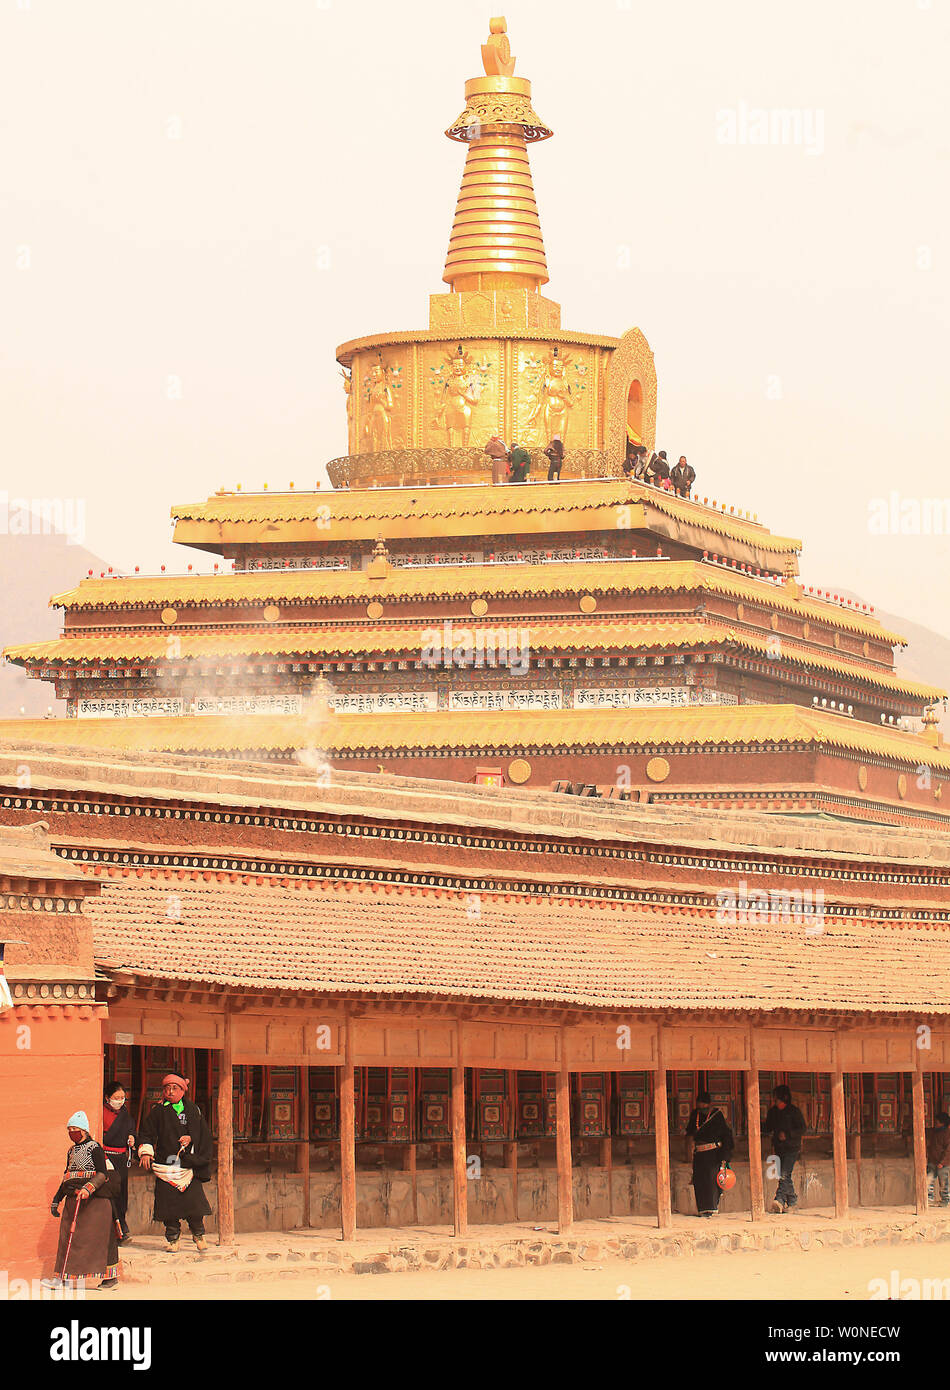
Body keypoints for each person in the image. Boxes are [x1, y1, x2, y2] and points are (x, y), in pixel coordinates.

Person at [44, 1109, 120, 1290]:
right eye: (69, 1129)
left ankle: (110, 1279)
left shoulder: (95, 1148)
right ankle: (64, 1278)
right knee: (67, 1238)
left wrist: (88, 1188)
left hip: (95, 1202)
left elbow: (102, 1173)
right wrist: (57, 1199)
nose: (72, 1132)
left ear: (84, 1130)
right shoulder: (71, 1151)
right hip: (73, 1199)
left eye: (75, 1128)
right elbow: (67, 1177)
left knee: (100, 1239)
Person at [137, 1073, 213, 1252]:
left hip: (188, 1164)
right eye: (167, 1088)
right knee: (168, 1206)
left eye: (175, 1088)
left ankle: (198, 1234)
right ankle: (173, 1239)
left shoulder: (193, 1109)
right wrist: (146, 1152)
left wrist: (191, 1138)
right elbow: (146, 1133)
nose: (170, 1092)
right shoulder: (158, 1111)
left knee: (194, 1204)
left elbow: (204, 1134)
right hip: (166, 1164)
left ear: (182, 1091)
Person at [685, 1090, 735, 1217]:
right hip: (699, 1154)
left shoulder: (716, 1115)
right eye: (699, 1103)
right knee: (699, 1181)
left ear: (709, 1104)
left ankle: (712, 1209)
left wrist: (725, 1156)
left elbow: (726, 1136)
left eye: (703, 1103)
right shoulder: (694, 1115)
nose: (701, 1106)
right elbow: (690, 1133)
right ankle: (702, 1209)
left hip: (713, 1154)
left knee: (712, 1181)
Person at [764, 1083, 807, 1213]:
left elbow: (802, 1129)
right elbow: (768, 1127)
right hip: (778, 1148)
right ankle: (792, 1201)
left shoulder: (794, 1112)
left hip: (792, 1148)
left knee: (784, 1173)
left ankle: (779, 1200)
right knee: (783, 1175)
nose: (776, 1101)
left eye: (777, 1098)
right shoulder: (773, 1112)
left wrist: (788, 1135)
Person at [102, 1080, 136, 1242]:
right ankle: (113, 1231)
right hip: (107, 1157)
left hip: (122, 1158)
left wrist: (132, 1138)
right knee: (111, 1193)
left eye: (123, 1097)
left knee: (122, 1194)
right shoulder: (101, 1113)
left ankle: (122, 1226)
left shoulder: (124, 1114)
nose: (120, 1100)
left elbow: (131, 1131)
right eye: (117, 1097)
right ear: (107, 1098)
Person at [927, 1111, 950, 1207]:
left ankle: (945, 1200)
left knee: (943, 1182)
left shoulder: (947, 1133)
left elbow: (948, 1149)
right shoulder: (934, 1132)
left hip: (943, 1162)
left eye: (937, 1122)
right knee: (928, 1180)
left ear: (942, 1123)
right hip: (932, 1160)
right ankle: (928, 1199)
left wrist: (943, 1162)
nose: (935, 1123)